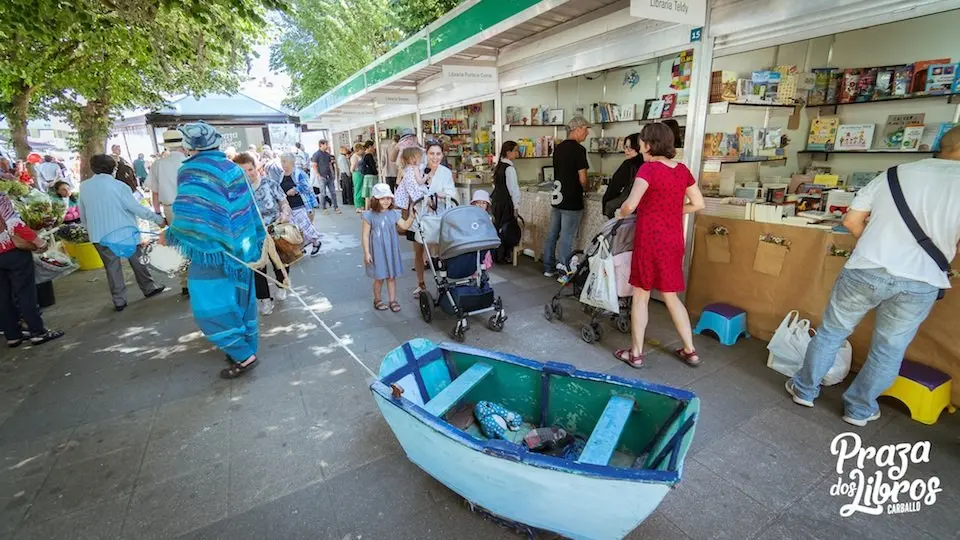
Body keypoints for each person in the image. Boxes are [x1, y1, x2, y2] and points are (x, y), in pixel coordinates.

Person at [786, 126, 960, 427]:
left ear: (942, 144)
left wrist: (877, 246)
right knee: (889, 348)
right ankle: (859, 409)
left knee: (832, 332)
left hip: (866, 267)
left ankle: (804, 390)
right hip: (922, 280)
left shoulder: (895, 173)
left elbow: (852, 220)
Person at [166, 121, 266, 379]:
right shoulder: (232, 169)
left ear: (188, 145)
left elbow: (190, 215)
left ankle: (244, 355)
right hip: (240, 252)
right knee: (241, 300)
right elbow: (248, 209)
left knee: (208, 308)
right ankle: (244, 347)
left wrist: (170, 234)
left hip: (211, 254)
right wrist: (253, 242)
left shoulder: (190, 171)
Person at [613, 123, 705, 370]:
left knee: (641, 295)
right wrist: (674, 211)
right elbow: (698, 204)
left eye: (641, 142)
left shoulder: (648, 170)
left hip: (650, 240)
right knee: (671, 296)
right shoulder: (682, 170)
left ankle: (636, 353)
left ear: (649, 144)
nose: (639, 146)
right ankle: (690, 350)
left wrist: (620, 213)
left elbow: (631, 205)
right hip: (673, 239)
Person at [78, 154, 168, 312]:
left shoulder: (84, 187)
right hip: (124, 232)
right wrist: (158, 219)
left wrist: (88, 228)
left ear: (93, 168)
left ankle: (119, 300)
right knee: (137, 261)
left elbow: (83, 212)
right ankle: (148, 287)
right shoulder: (120, 186)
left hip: (99, 234)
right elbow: (136, 208)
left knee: (112, 267)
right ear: (114, 168)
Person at [0, 194, 63, 346]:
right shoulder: (1, 199)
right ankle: (38, 332)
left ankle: (12, 336)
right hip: (12, 252)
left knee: (2, 297)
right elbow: (15, 224)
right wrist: (39, 242)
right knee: (25, 293)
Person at [234, 152, 292, 316]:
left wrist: (285, 213)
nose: (248, 174)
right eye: (243, 171)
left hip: (275, 230)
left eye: (250, 169)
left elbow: (283, 202)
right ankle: (264, 300)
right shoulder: (237, 192)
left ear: (256, 168)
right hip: (253, 235)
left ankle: (281, 286)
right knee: (258, 268)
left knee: (281, 263)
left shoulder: (270, 184)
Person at [543, 116, 591, 278]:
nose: (587, 133)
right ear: (577, 129)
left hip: (558, 197)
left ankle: (549, 267)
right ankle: (565, 270)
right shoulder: (579, 150)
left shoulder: (559, 148)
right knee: (567, 236)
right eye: (585, 129)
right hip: (572, 199)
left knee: (552, 234)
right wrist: (587, 188)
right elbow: (583, 178)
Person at [146, 129, 189, 294]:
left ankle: (184, 282)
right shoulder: (188, 162)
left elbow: (154, 192)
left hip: (171, 208)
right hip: (191, 207)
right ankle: (197, 278)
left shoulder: (159, 164)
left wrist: (157, 214)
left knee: (178, 244)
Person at [362, 183, 416, 313]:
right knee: (379, 277)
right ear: (375, 199)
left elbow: (404, 226)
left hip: (391, 248)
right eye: (382, 198)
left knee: (391, 277)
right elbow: (365, 235)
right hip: (377, 250)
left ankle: (393, 300)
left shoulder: (394, 213)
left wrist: (412, 216)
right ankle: (377, 299)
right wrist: (367, 253)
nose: (386, 201)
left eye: (388, 198)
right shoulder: (369, 215)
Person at [268, 153, 322, 256]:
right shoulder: (281, 174)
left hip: (300, 205)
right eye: (282, 161)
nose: (283, 164)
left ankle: (316, 242)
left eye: (284, 161)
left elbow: (307, 186)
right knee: (294, 230)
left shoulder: (299, 173)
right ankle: (300, 247)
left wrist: (295, 189)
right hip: (288, 207)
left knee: (304, 227)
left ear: (291, 162)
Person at [491, 141, 522, 263]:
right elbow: (513, 189)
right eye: (515, 150)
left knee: (498, 228)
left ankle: (497, 255)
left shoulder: (499, 166)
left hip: (497, 202)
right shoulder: (509, 169)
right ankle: (504, 255)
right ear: (508, 152)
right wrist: (516, 206)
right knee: (506, 229)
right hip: (506, 203)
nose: (517, 153)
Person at [602, 133, 643, 219]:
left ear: (638, 148)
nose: (626, 151)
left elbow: (615, 186)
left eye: (630, 148)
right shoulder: (648, 164)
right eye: (625, 147)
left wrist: (606, 201)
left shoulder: (628, 164)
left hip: (626, 210)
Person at [312, 140, 340, 214]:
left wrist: (333, 173)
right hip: (322, 176)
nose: (327, 146)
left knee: (333, 192)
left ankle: (336, 207)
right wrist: (318, 174)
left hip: (329, 176)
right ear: (321, 145)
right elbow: (314, 165)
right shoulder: (316, 154)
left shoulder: (327, 154)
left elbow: (330, 164)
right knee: (323, 193)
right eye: (326, 144)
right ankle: (324, 208)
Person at [350, 142, 365, 213]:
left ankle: (361, 204)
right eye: (362, 149)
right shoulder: (354, 157)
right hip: (357, 174)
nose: (363, 151)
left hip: (360, 173)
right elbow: (352, 167)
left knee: (361, 189)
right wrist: (354, 171)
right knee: (358, 189)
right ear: (358, 149)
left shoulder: (359, 156)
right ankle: (358, 206)